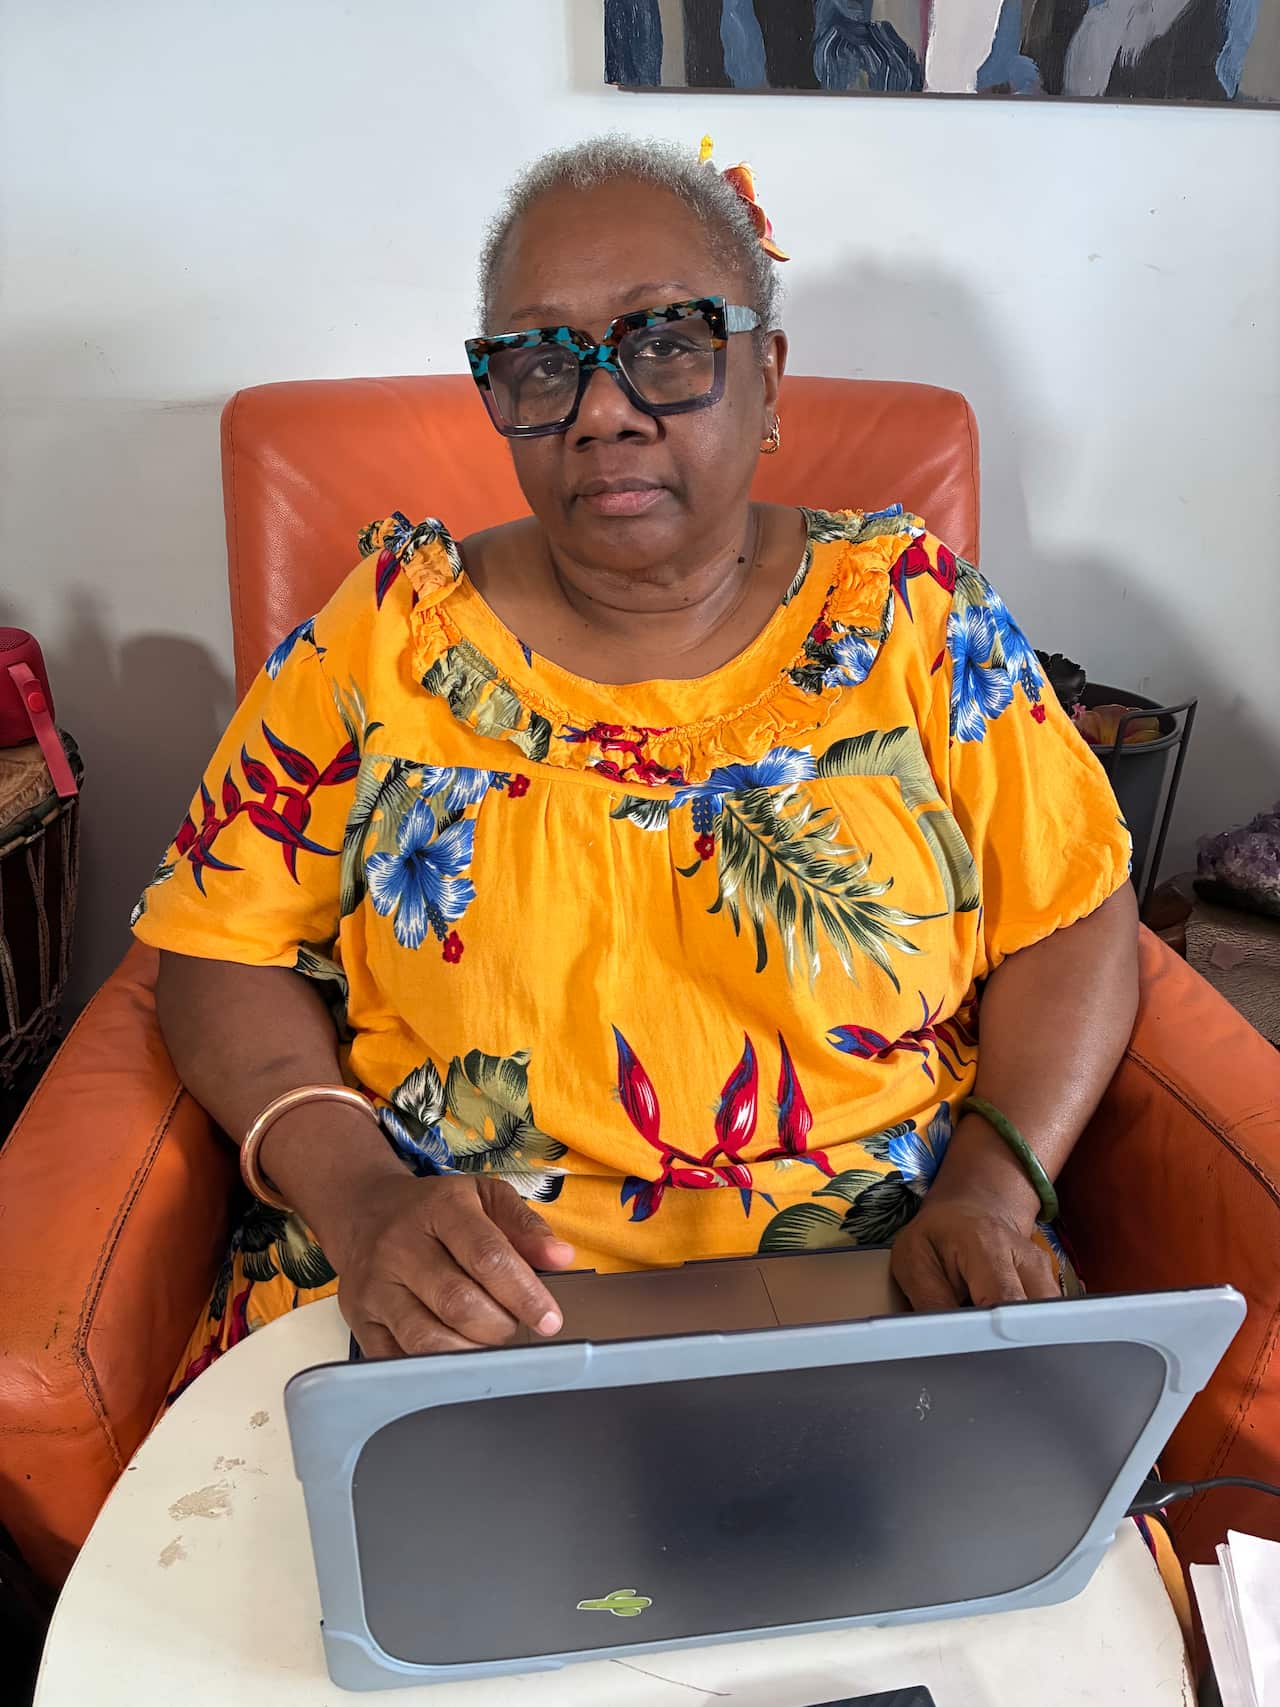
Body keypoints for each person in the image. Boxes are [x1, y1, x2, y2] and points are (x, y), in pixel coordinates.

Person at [133, 136, 1137, 1393]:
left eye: (666, 342)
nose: (601, 408)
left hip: (886, 1291)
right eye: (542, 361)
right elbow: (216, 944)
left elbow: (1073, 915)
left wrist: (992, 1190)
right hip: (456, 1307)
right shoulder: (385, 630)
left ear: (766, 377)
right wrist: (360, 1197)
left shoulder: (915, 618)